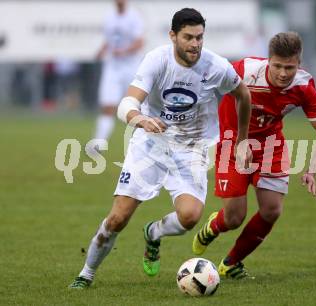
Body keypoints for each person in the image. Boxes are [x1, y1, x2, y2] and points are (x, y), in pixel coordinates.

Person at [69, 8, 252, 289]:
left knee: (190, 217)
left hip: (191, 149)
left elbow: (243, 94)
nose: (195, 44)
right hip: (150, 144)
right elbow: (127, 103)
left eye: (200, 37)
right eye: (188, 37)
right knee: (118, 217)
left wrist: (241, 141)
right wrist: (140, 118)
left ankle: (153, 233)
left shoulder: (217, 67)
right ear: (173, 36)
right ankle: (86, 273)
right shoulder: (156, 60)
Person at [192, 32, 316, 278]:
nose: (282, 73)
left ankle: (231, 263)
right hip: (233, 141)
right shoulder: (245, 70)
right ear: (268, 60)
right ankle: (214, 226)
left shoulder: (303, 86)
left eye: (289, 67)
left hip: (270, 144)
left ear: (299, 64)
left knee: (272, 210)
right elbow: (207, 82)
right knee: (234, 217)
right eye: (277, 66)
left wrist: (311, 170)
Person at [89, 0, 145, 151]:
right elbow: (109, 41)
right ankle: (99, 143)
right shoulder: (109, 17)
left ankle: (145, 144)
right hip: (113, 67)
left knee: (138, 106)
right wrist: (102, 50)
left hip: (131, 67)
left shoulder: (134, 16)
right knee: (108, 105)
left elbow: (140, 42)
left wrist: (124, 51)